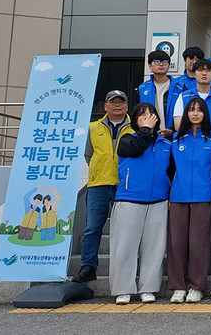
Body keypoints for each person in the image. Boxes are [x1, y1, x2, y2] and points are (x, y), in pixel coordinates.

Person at [109, 103, 171, 305]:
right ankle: (123, 289)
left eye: (151, 114)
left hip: (158, 200)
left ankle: (148, 288)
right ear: (135, 119)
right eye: (142, 115)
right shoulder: (127, 139)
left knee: (154, 247)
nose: (147, 118)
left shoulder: (165, 144)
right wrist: (145, 130)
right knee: (125, 246)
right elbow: (136, 149)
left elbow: (171, 171)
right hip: (130, 199)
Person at [73, 90, 133, 283]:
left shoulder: (135, 128)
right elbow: (88, 155)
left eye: (121, 102)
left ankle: (123, 266)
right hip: (98, 184)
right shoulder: (93, 128)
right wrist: (98, 170)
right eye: (113, 102)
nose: (117, 105)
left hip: (124, 185)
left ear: (127, 106)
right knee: (92, 228)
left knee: (124, 230)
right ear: (105, 106)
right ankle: (88, 266)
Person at [168, 97, 211, 304]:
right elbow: (169, 168)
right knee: (176, 243)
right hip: (178, 195)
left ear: (206, 113)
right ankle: (178, 286)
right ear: (186, 113)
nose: (195, 113)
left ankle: (196, 286)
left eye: (199, 110)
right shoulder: (176, 138)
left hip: (204, 194)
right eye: (191, 110)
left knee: (199, 243)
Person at [173, 59, 211, 134]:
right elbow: (177, 125)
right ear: (194, 74)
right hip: (188, 139)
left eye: (208, 70)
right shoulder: (183, 96)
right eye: (200, 70)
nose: (204, 73)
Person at [133, 50, 174, 132]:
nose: (161, 64)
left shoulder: (180, 87)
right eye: (157, 61)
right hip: (149, 133)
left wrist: (173, 130)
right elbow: (137, 114)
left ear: (169, 65)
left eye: (165, 61)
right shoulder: (142, 89)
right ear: (150, 65)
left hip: (174, 134)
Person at [166, 46, 204, 127]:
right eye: (191, 58)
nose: (194, 62)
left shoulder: (206, 83)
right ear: (185, 60)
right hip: (179, 124)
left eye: (197, 59)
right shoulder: (176, 82)